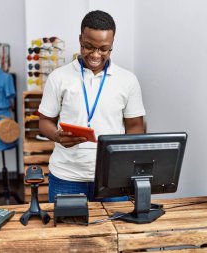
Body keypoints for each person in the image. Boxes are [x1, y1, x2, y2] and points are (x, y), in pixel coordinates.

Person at [38, 10, 146, 202]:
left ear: (112, 45)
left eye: (104, 49)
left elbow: (135, 125)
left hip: (112, 179)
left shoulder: (128, 80)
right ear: (80, 39)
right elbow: (45, 121)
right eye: (88, 47)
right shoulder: (58, 77)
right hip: (66, 177)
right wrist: (57, 136)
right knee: (66, 231)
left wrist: (126, 160)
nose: (96, 55)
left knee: (114, 232)